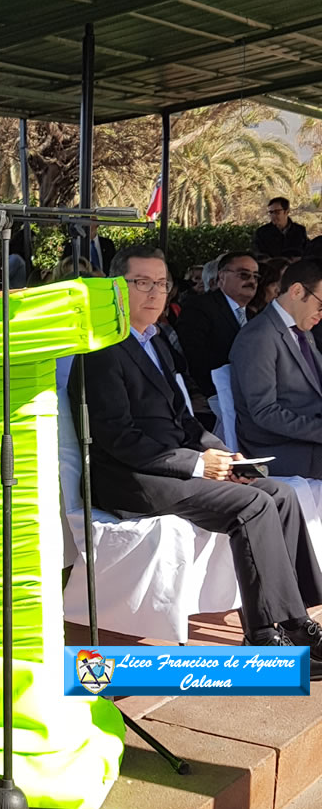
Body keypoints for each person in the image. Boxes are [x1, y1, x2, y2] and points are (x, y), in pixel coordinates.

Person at [69, 246, 322, 670]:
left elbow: (184, 420)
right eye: (141, 283)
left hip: (173, 464)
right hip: (130, 477)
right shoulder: (100, 349)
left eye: (161, 283)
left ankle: (297, 621)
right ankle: (263, 636)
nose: (154, 293)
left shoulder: (156, 342)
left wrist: (220, 452)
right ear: (115, 288)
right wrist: (199, 465)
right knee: (253, 504)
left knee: (279, 493)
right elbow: (117, 437)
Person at [230, 259, 322, 479]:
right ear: (297, 291)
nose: (321, 313)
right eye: (321, 304)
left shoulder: (301, 328)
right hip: (279, 449)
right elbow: (265, 412)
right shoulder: (259, 336)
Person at [175, 251, 259, 397]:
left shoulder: (253, 316)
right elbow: (194, 358)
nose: (251, 281)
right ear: (221, 276)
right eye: (244, 274)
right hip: (212, 396)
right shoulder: (199, 308)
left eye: (256, 276)